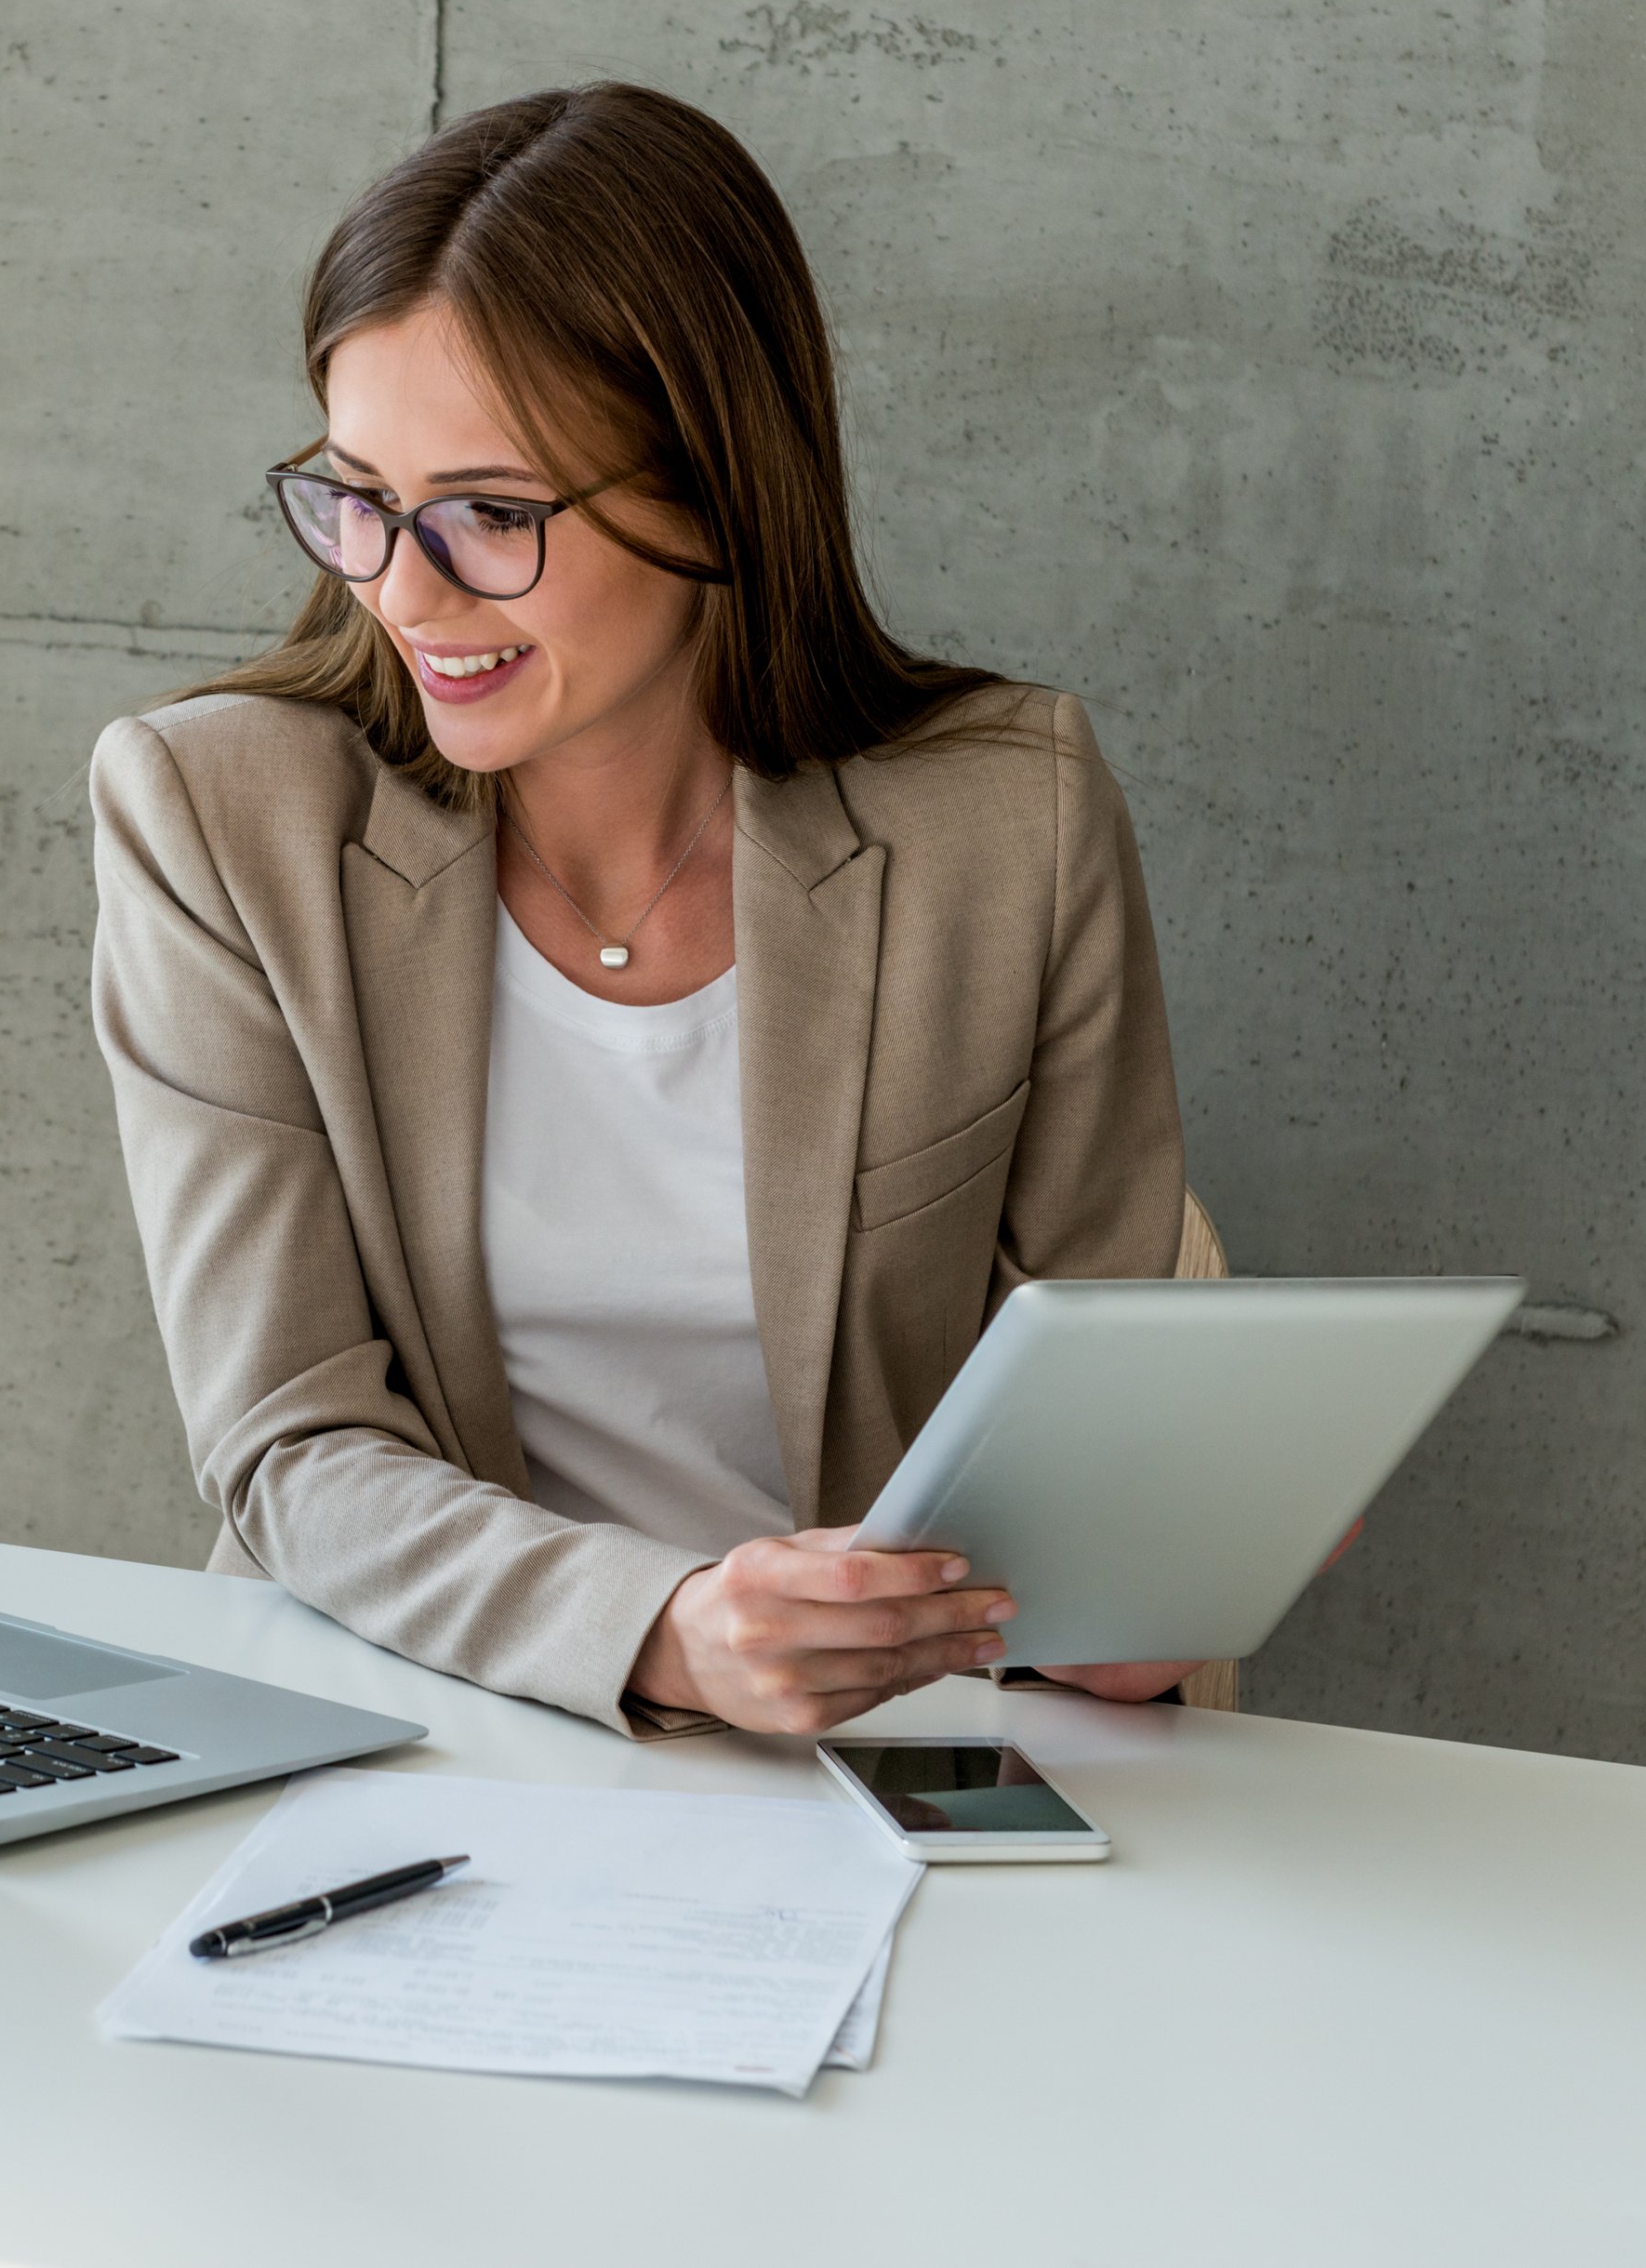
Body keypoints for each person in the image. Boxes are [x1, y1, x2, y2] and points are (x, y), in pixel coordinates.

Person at [88, 84, 1201, 1739]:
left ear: (714, 493)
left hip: (879, 1764)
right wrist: (666, 1629)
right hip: (418, 1722)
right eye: (357, 495)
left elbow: (1091, 1447)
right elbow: (287, 1445)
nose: (402, 588)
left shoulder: (1007, 823)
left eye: (490, 513)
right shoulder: (218, 818)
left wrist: (1133, 1585)